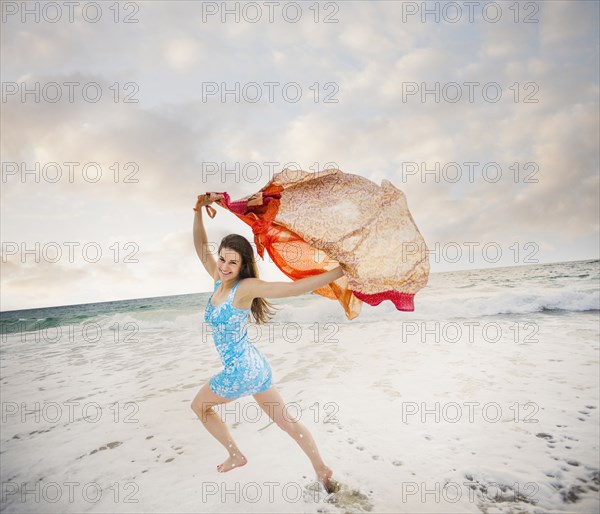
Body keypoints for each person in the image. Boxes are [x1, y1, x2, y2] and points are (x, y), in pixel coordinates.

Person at [190, 192, 343, 494]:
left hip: (240, 370)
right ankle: (322, 470)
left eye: (232, 262)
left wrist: (338, 272)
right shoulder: (219, 280)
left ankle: (235, 454)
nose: (224, 265)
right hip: (256, 366)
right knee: (287, 423)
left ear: (243, 264)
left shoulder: (246, 288)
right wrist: (198, 210)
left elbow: (294, 288)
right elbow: (199, 248)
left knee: (200, 407)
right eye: (222, 259)